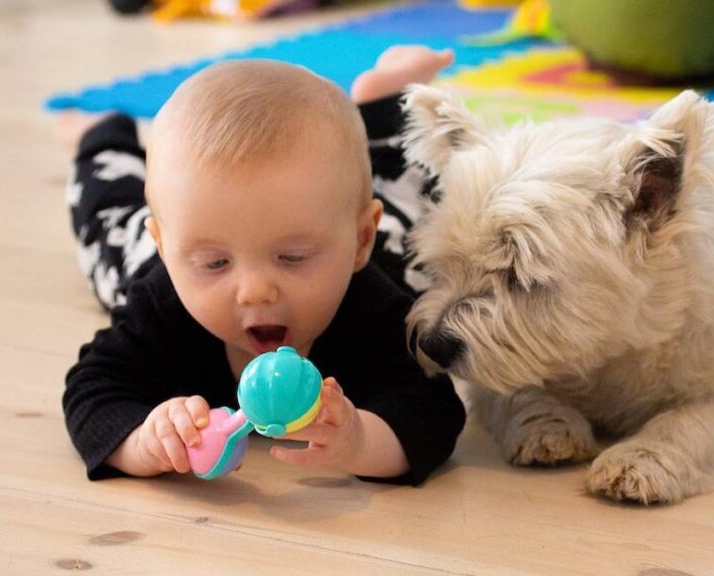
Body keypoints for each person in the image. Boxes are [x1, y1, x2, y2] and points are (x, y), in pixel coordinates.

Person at [59, 46, 465, 485]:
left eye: (292, 257)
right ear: (167, 249)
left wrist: (360, 441)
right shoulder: (161, 302)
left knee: (415, 205)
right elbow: (93, 390)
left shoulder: (374, 309)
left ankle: (384, 107)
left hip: (384, 250)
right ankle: (101, 135)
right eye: (214, 262)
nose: (254, 291)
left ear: (358, 241)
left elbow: (433, 410)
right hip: (145, 249)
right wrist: (145, 440)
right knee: (107, 221)